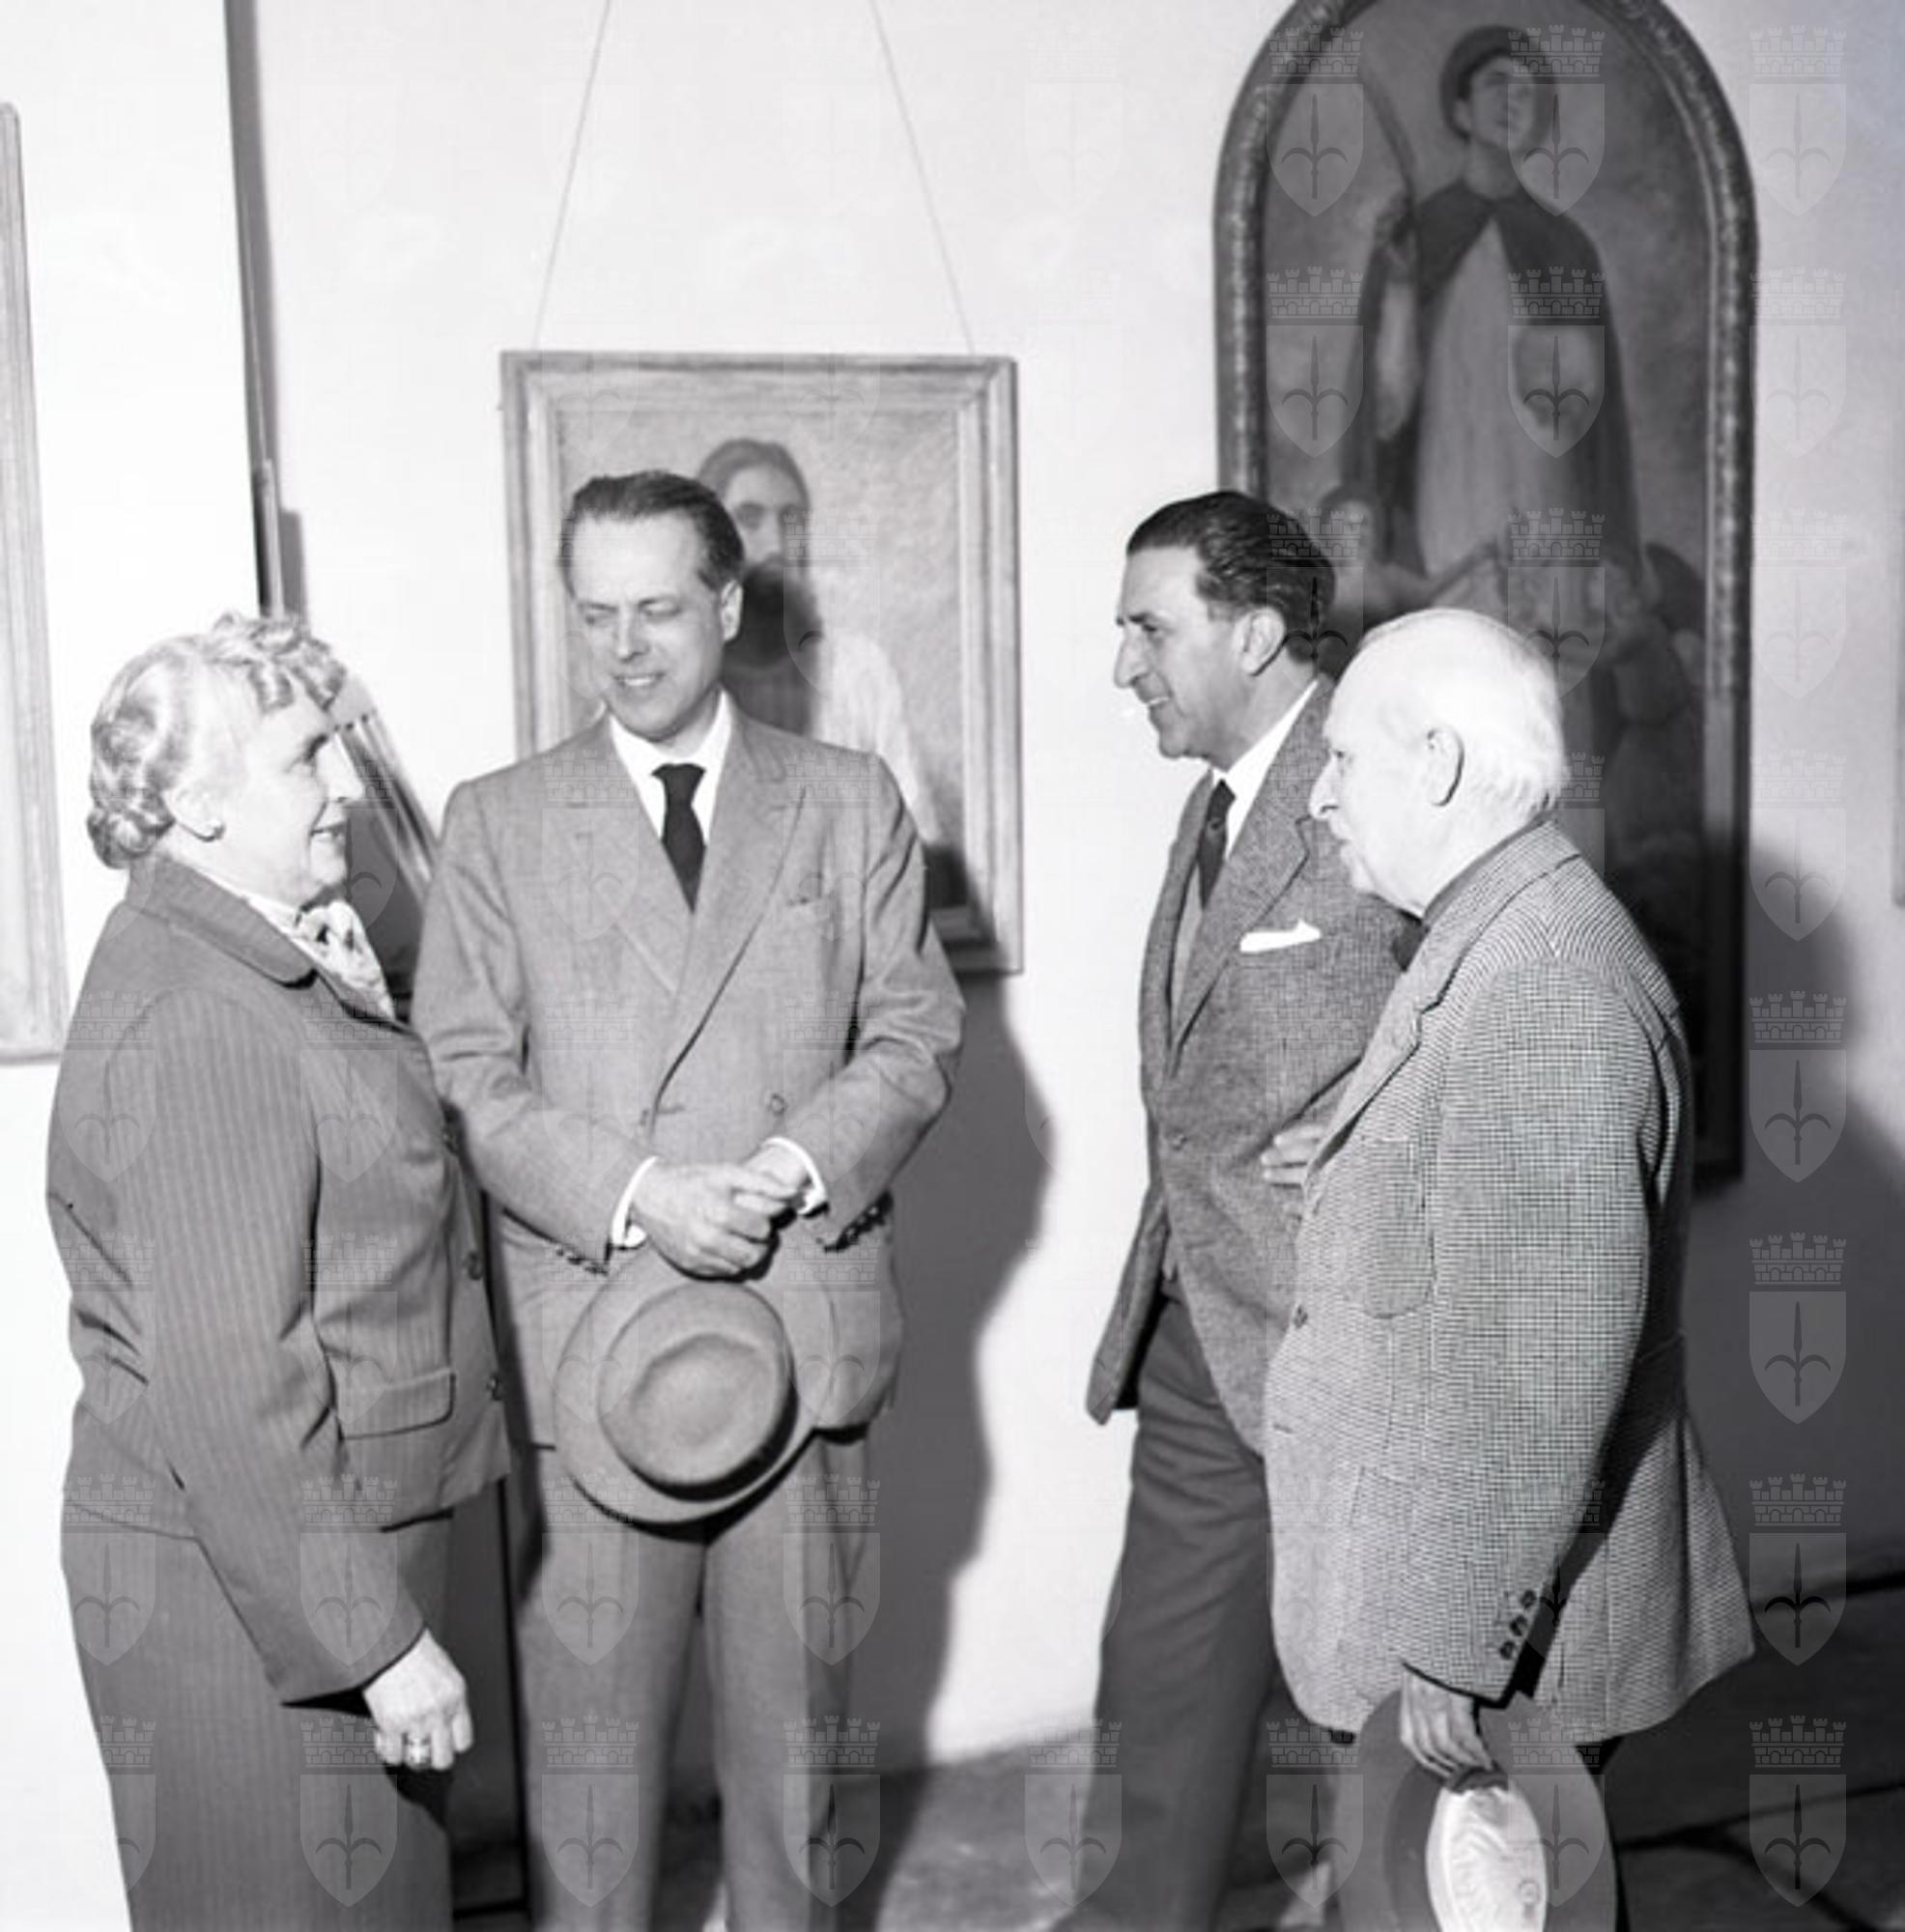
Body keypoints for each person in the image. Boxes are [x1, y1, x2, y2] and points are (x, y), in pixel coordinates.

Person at [412, 470, 962, 1927]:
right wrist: (639, 1191)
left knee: (799, 1783)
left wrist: (793, 1166)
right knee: (590, 1802)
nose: (624, 647)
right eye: (595, 613)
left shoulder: (844, 800)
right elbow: (462, 1073)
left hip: (801, 1335)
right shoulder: (498, 822)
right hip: (592, 1356)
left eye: (657, 609)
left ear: (727, 605)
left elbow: (915, 1034)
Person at [1269, 607, 1751, 1913]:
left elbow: (1534, 1376)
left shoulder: (1541, 985)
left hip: (1480, 1626)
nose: (1319, 797)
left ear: (1434, 762)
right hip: (1457, 1580)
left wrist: (1452, 1648)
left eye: (1342, 759)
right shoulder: (1500, 936)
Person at [50, 613, 511, 1929]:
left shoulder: (253, 952)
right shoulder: (201, 1012)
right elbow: (231, 1388)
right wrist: (377, 1642)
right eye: (306, 757)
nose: (347, 784)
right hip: (255, 1602)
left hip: (307, 1555)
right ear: (197, 802)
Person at [1071, 492, 1406, 1930]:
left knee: (1391, 1716)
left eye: (1150, 628)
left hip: (1351, 1341)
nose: (1124, 663)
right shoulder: (1218, 802)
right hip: (1200, 1326)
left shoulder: (1389, 777)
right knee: (1160, 1682)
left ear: (1256, 633)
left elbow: (1521, 999)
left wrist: (1399, 1128)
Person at [1352, 26, 1640, 586]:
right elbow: (1387, 405)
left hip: (1543, 482)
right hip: (1449, 471)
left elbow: (1591, 412)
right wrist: (1402, 288)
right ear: (1461, 111)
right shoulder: (1419, 236)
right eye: (1497, 84)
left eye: (1528, 92)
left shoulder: (1565, 247)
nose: (1513, 101)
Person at [697, 437, 948, 852]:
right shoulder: (667, 673)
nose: (777, 546)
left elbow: (916, 837)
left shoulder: (858, 670)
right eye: (750, 520)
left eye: (791, 523)